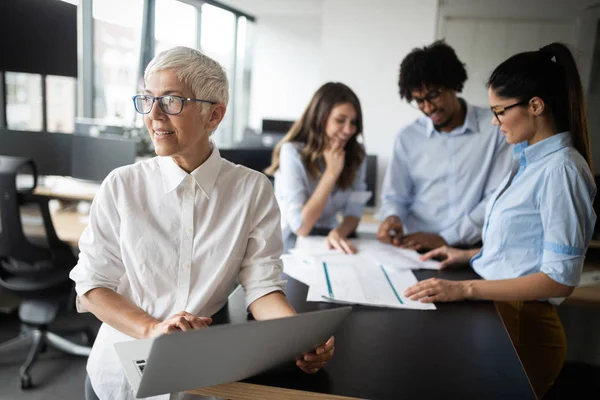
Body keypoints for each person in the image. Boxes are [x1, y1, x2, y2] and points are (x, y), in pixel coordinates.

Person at [69, 47, 334, 400]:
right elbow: (91, 285)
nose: (155, 115)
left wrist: (299, 338)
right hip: (118, 376)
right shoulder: (122, 185)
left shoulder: (252, 191)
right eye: (147, 100)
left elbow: (262, 287)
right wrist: (152, 330)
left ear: (214, 116)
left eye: (172, 101)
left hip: (200, 378)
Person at [404, 42, 596, 399]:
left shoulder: (562, 170)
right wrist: (470, 254)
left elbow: (558, 279)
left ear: (535, 106)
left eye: (500, 111)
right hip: (502, 312)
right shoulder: (529, 161)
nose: (494, 121)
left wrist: (464, 288)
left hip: (525, 324)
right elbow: (525, 243)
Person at [377, 40, 512, 252]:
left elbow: (497, 198)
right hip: (414, 248)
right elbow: (395, 197)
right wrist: (392, 217)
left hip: (472, 249)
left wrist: (444, 238)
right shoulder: (408, 137)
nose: (428, 108)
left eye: (433, 95)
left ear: (453, 84)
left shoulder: (495, 128)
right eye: (419, 101)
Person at [265, 82, 368, 254]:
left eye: (353, 122)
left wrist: (339, 232)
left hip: (327, 241)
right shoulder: (292, 153)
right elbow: (301, 227)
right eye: (340, 120)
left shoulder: (356, 154)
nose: (349, 129)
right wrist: (331, 173)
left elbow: (354, 213)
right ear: (321, 118)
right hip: (290, 243)